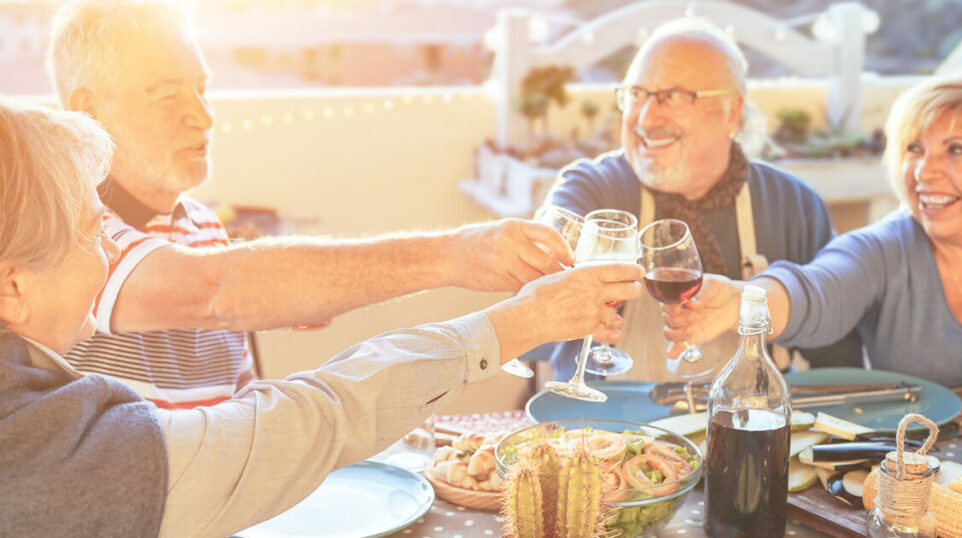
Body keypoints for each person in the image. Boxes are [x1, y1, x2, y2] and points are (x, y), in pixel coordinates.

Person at [0, 99, 643, 536]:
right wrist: (513, 321)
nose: (108, 251)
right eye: (90, 233)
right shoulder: (48, 449)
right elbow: (305, 419)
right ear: (13, 289)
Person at [48, 0, 575, 409]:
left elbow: (240, 409)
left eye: (203, 88)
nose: (203, 118)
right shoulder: (63, 232)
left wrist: (293, 291)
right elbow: (216, 289)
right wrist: (460, 254)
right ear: (88, 111)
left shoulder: (201, 226)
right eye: (166, 95)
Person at [663, 71, 962, 411]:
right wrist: (741, 302)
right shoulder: (885, 249)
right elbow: (818, 291)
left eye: (956, 149)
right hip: (916, 463)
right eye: (914, 148)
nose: (923, 171)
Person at [526, 18, 862, 382]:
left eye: (671, 97)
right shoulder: (591, 189)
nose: (646, 118)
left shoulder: (794, 205)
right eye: (636, 94)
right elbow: (536, 292)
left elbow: (837, 354)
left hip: (752, 429)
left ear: (732, 111)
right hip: (611, 432)